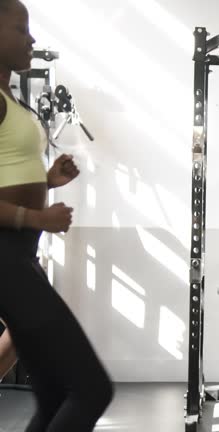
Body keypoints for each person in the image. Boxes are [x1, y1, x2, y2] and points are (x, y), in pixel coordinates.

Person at [0, 0, 114, 430]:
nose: (31, 38)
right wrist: (35, 219)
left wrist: (46, 182)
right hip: (6, 256)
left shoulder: (8, 95)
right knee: (90, 388)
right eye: (19, 28)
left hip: (17, 255)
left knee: (52, 396)